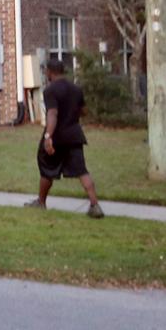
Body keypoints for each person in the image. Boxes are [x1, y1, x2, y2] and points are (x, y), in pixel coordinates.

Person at [25, 58, 104, 219]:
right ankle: (95, 205)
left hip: (57, 137)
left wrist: (48, 136)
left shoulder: (50, 91)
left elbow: (52, 114)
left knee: (46, 167)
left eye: (46, 71)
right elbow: (84, 111)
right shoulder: (76, 89)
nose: (45, 73)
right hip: (74, 135)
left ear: (50, 71)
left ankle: (41, 202)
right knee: (81, 170)